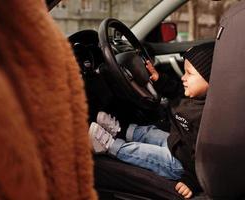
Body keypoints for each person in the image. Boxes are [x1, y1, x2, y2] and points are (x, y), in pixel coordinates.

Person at [88, 42, 215, 199]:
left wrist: (191, 181)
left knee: (143, 153)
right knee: (150, 133)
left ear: (211, 80)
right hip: (177, 143)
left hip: (181, 165)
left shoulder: (207, 117)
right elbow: (175, 91)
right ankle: (120, 131)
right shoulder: (193, 95)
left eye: (189, 74)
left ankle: (110, 145)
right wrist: (159, 79)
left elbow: (205, 159)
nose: (183, 77)